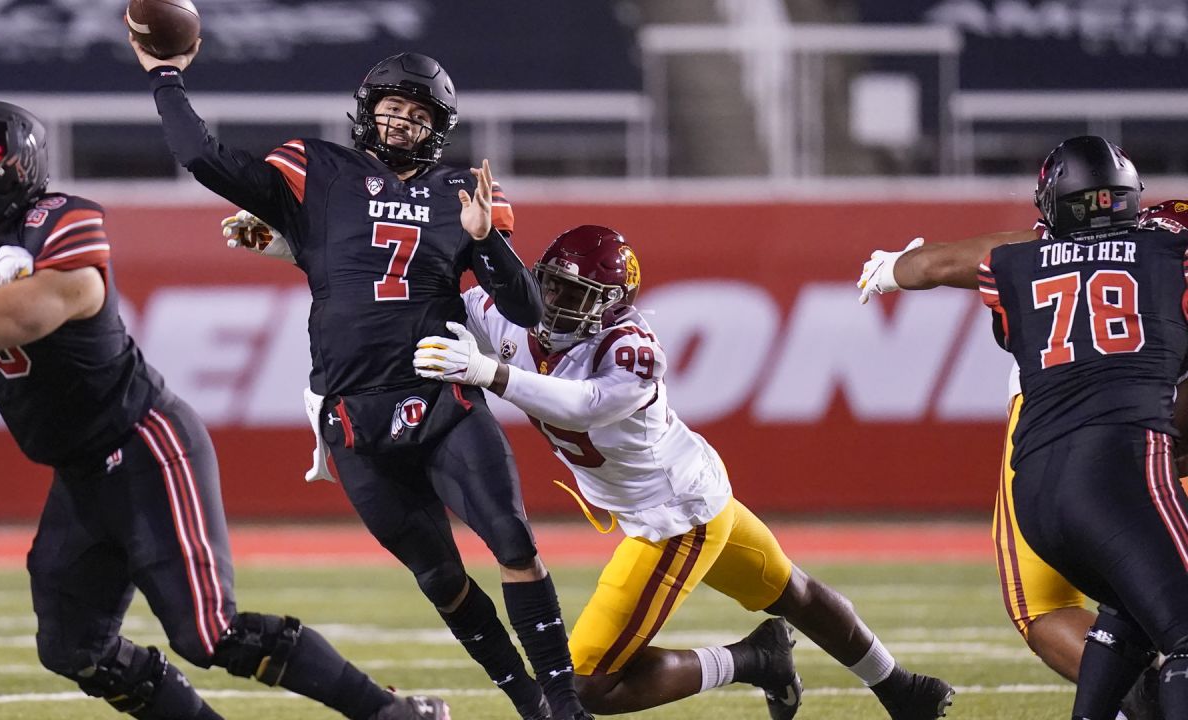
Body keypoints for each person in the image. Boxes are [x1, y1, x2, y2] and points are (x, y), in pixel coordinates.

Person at [0, 100, 447, 720]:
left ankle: (391, 712)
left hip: (145, 445)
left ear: (0, 183)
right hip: (83, 470)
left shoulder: (66, 236)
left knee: (209, 634)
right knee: (73, 646)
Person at [130, 34, 588, 720]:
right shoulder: (318, 171)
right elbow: (202, 156)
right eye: (393, 106)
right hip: (352, 415)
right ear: (367, 110)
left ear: (439, 129)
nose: (402, 120)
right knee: (440, 578)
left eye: (419, 113)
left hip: (441, 400)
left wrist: (486, 236)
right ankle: (528, 701)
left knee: (514, 542)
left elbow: (525, 309)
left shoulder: (462, 191)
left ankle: (563, 705)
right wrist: (165, 76)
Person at [411, 224, 957, 719]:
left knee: (584, 685)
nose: (555, 302)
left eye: (575, 294)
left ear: (613, 305)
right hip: (686, 492)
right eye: (550, 284)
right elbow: (422, 331)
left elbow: (585, 405)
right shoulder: (498, 308)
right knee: (795, 594)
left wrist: (489, 371)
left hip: (675, 515)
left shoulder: (631, 347)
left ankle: (753, 660)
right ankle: (904, 690)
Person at [860, 135, 1188, 718]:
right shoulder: (1166, 258)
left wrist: (895, 269)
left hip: (1042, 464)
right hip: (1135, 449)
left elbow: (951, 263)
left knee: (1105, 610)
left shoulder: (1021, 260)